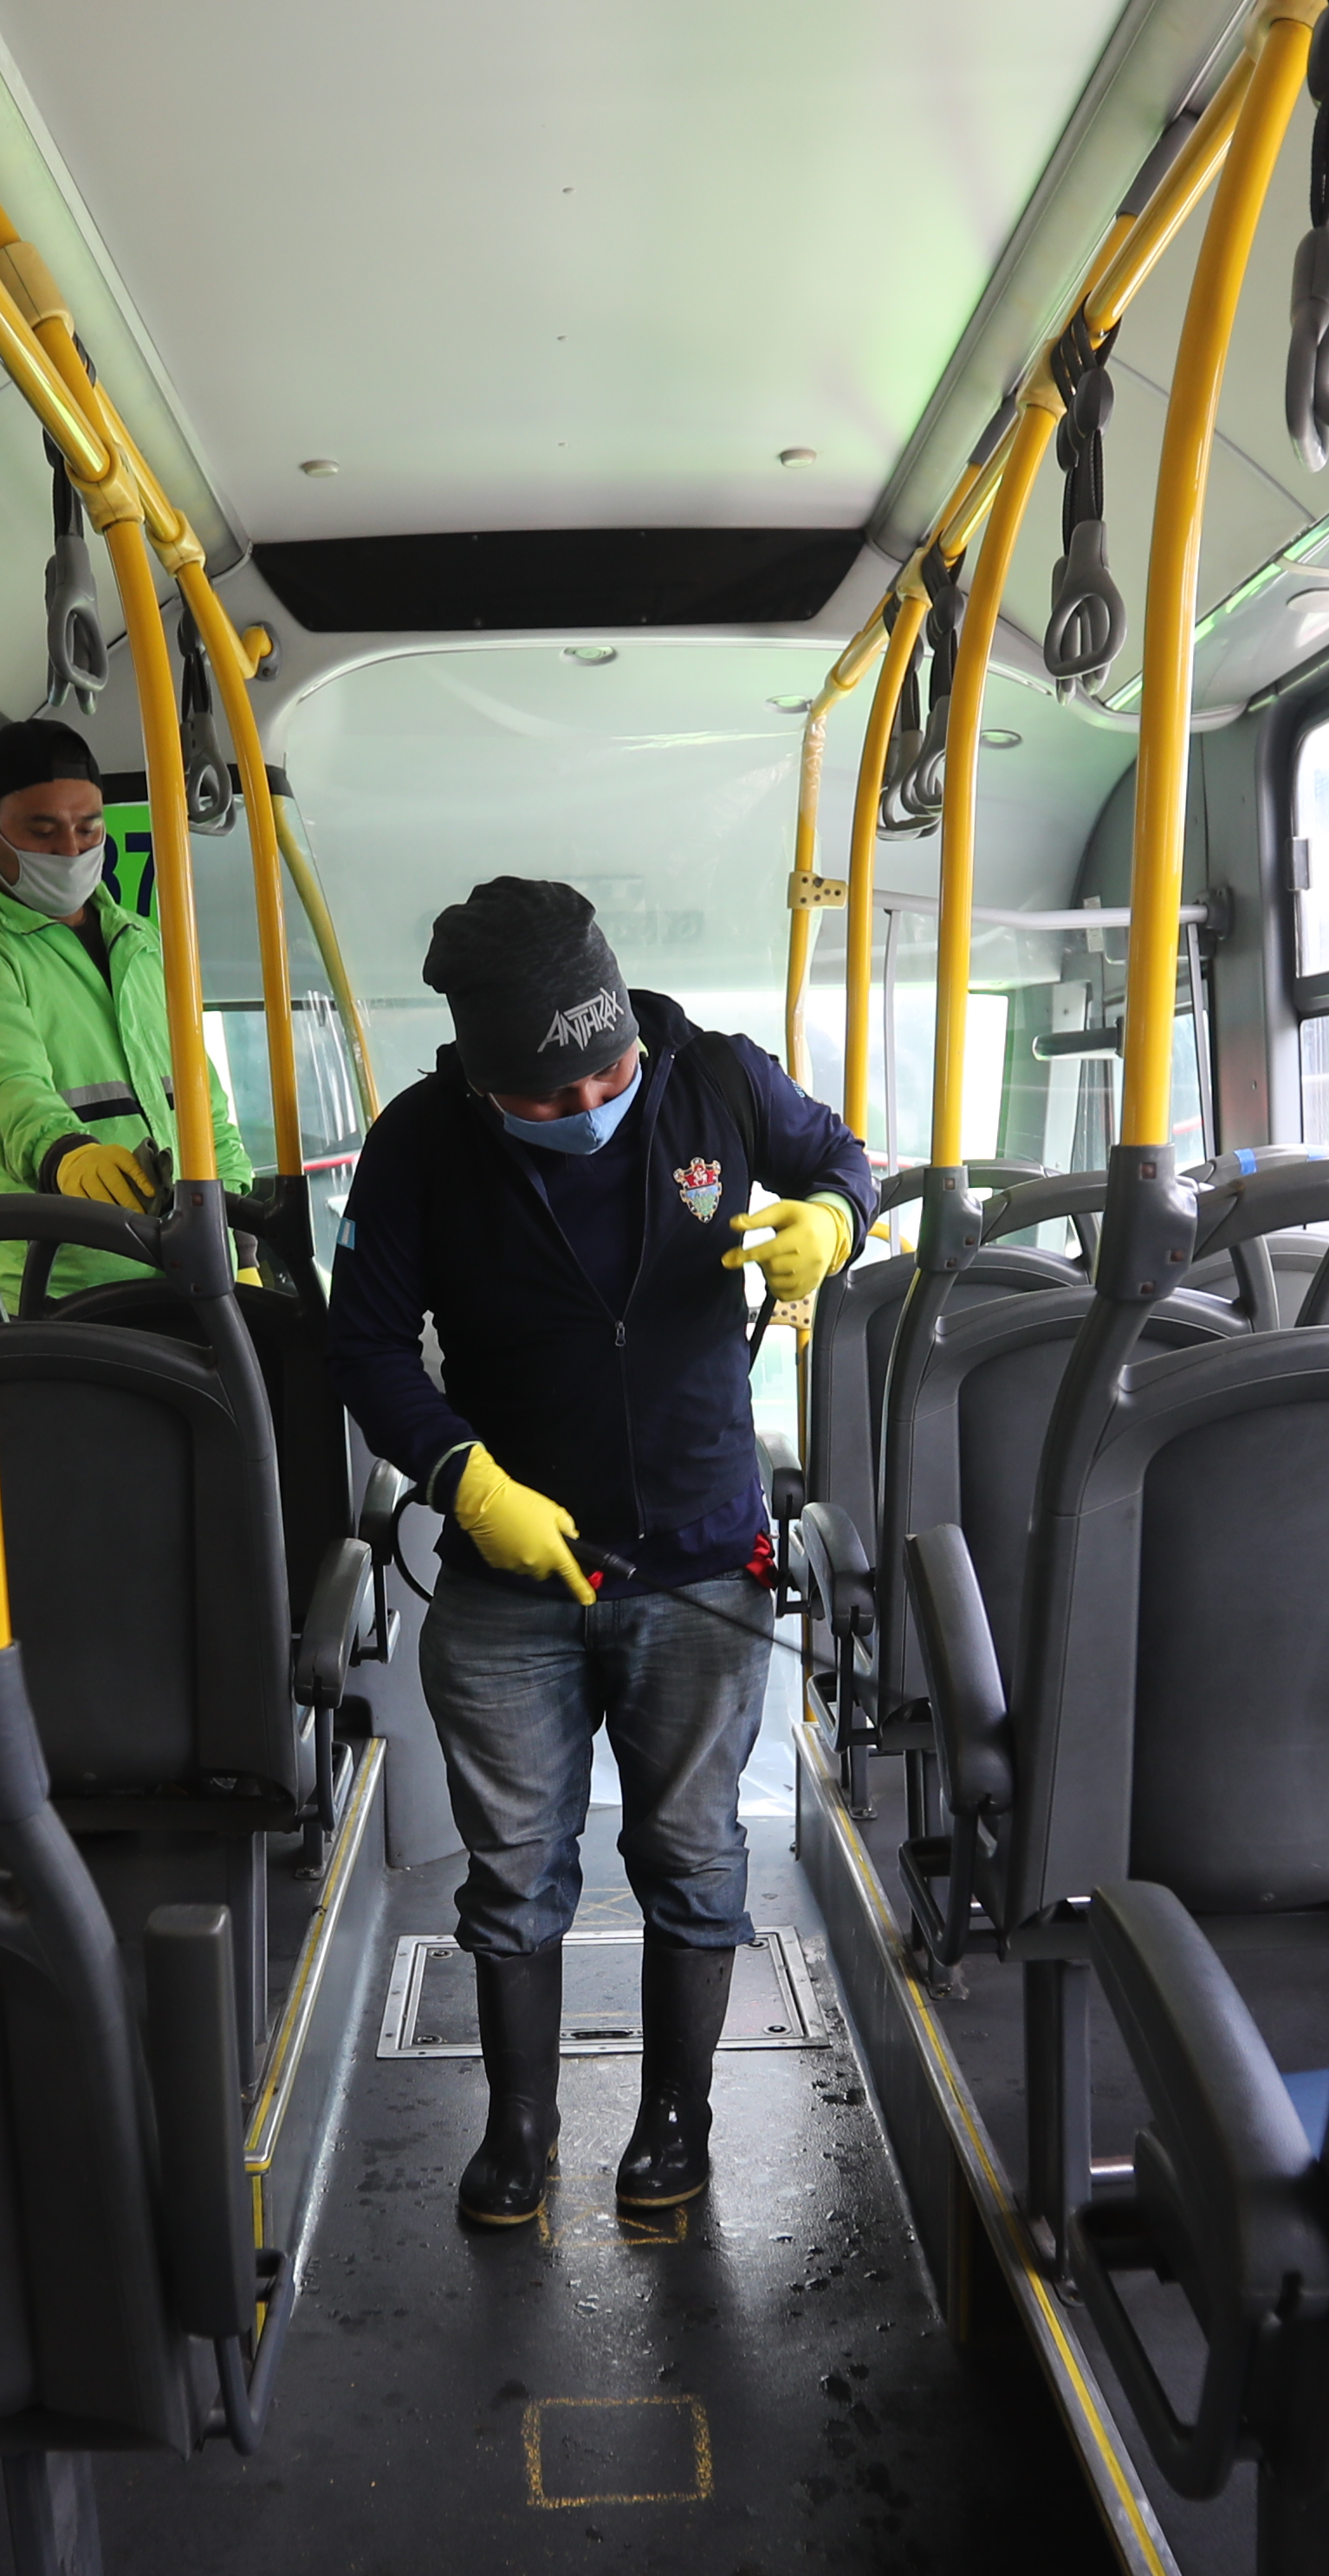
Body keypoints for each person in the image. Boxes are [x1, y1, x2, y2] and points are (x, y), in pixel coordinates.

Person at [323, 879, 866, 2227]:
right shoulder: (418, 1147)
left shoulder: (721, 1085)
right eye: (552, 1100)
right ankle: (520, 2129)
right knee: (512, 1868)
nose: (593, 1107)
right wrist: (458, 1476)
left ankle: (676, 2119)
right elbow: (367, 1346)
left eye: (611, 1075)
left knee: (692, 1853)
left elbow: (844, 1159)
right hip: (515, 1576)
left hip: (699, 1562)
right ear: (483, 1080)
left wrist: (831, 1223)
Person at [0, 717, 251, 1306]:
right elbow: (2, 1082)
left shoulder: (141, 942)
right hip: (56, 1287)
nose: (71, 850)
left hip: (184, 1267)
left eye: (88, 829)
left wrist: (240, 1239)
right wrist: (67, 1155)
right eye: (43, 832)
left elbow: (204, 1106)